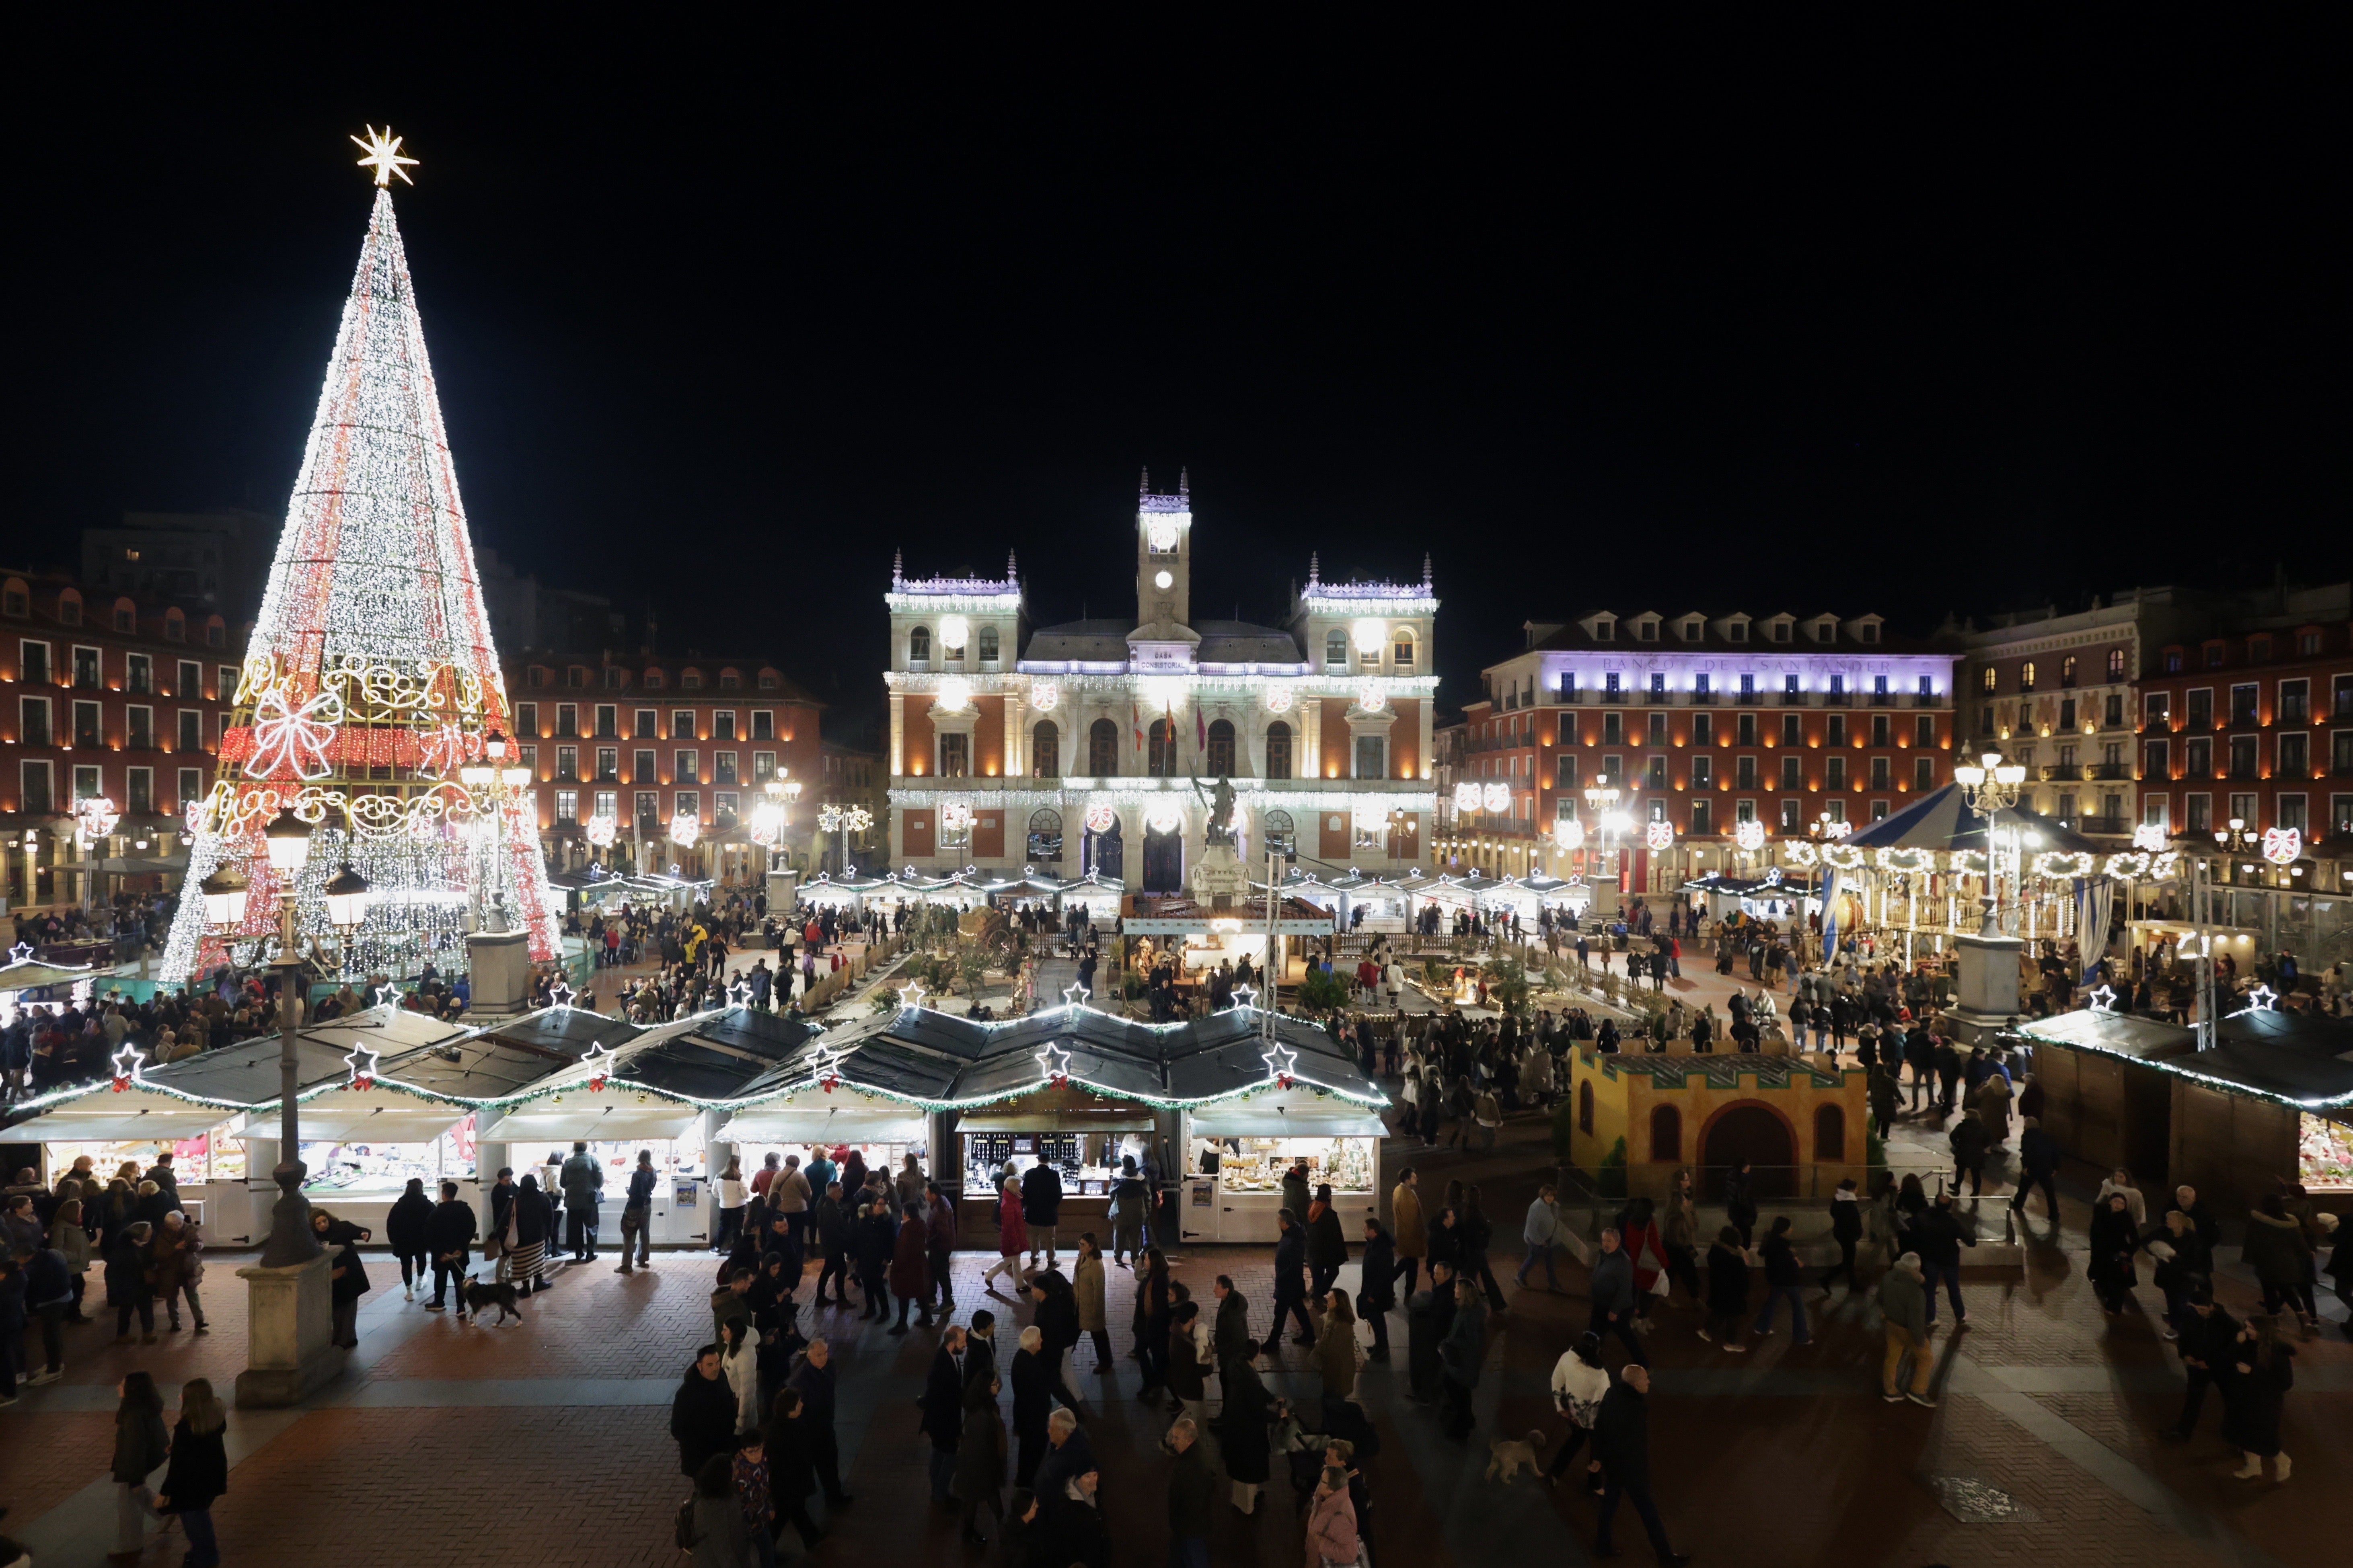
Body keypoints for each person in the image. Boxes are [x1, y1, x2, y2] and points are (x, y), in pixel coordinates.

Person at [1591, 1363, 1690, 1566]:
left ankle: (1602, 1545)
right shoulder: (1636, 1408)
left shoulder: (1612, 1393)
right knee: (1648, 1512)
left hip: (1613, 1465)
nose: (1649, 1382)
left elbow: (1600, 1425)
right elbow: (1635, 1447)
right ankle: (1665, 1557)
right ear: (1636, 1384)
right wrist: (1641, 1475)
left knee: (1609, 1506)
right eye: (1645, 1380)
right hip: (1631, 1470)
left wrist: (1598, 1457)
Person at [155, 1376, 228, 1567]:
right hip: (210, 1480)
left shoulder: (186, 1428)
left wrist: (165, 1492)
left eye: (183, 1395)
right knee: (197, 1519)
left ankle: (205, 1559)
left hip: (191, 1485)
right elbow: (201, 1446)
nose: (179, 1397)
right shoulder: (213, 1419)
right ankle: (201, 1554)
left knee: (196, 1524)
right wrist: (178, 1447)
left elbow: (178, 1466)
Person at [2219, 1314, 2296, 1482]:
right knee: (2246, 1435)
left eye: (2251, 1328)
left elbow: (2285, 1382)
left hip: (2264, 1404)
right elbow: (2226, 1361)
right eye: (2246, 1326)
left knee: (2262, 1437)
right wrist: (2236, 1344)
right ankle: (2253, 1467)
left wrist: (2253, 1373)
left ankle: (2282, 1461)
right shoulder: (2247, 1344)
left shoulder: (2277, 1352)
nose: (2247, 1331)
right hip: (2245, 1399)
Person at [2161, 1288, 2239, 1441]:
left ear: (2211, 1306)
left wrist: (2211, 1363)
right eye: (2195, 1309)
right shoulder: (2191, 1315)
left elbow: (2232, 1351)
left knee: (2231, 1400)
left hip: (2220, 1369)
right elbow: (2184, 1337)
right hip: (2198, 1367)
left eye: (2202, 1309)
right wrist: (2185, 1355)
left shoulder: (2229, 1324)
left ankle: (2234, 1434)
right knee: (2193, 1400)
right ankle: (2184, 1432)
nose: (2199, 1313)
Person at [111, 1369, 171, 1563]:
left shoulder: (134, 1415)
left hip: (134, 1465)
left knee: (128, 1501)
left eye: (123, 1384)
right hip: (145, 1461)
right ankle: (164, 1511)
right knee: (135, 1493)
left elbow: (135, 1447)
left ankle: (130, 1545)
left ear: (132, 1389)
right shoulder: (144, 1406)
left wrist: (134, 1477)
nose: (118, 1387)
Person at [787, 1339, 851, 1511]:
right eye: (818, 1355)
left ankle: (834, 1494)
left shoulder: (829, 1366)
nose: (823, 1358)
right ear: (809, 1356)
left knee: (830, 1461)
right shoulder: (801, 1380)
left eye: (825, 1353)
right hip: (812, 1431)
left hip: (825, 1425)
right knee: (819, 1464)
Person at [1546, 1330, 1610, 1494]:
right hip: (1593, 1420)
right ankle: (1595, 1484)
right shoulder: (1601, 1376)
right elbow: (1601, 1403)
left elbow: (1556, 1381)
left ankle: (1555, 1473)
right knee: (1597, 1448)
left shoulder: (1567, 1358)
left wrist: (1561, 1409)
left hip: (1574, 1415)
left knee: (1574, 1443)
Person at [1218, 1348, 1274, 1515]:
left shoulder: (1239, 1372)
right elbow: (1259, 1412)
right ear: (1256, 1356)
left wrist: (1271, 1398)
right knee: (1250, 1474)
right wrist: (1279, 1416)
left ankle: (1239, 1501)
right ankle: (1248, 1507)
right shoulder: (1251, 1379)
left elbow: (1259, 1394)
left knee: (1240, 1473)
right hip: (1249, 1438)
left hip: (1236, 1434)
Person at [953, 1374, 1007, 1547]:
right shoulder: (985, 1417)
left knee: (972, 1500)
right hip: (982, 1468)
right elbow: (988, 1447)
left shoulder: (976, 1408)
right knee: (993, 1502)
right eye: (994, 1384)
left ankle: (969, 1533)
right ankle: (1005, 1535)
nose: (997, 1386)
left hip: (970, 1467)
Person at [673, 1344, 740, 1478]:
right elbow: (677, 1429)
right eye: (710, 1365)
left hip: (723, 1449)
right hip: (702, 1458)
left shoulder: (721, 1376)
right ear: (700, 1366)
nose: (716, 1368)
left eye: (717, 1363)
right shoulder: (686, 1394)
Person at [920, 1324, 968, 1506]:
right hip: (944, 1424)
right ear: (952, 1343)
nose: (965, 1346)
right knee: (949, 1459)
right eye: (962, 1342)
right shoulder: (943, 1367)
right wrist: (956, 1430)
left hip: (940, 1423)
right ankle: (940, 1495)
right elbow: (944, 1402)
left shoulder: (948, 1356)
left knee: (939, 1456)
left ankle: (937, 1490)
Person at [1878, 1252, 1935, 1405]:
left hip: (1891, 1324)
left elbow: (1880, 1298)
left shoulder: (1888, 1277)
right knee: (1926, 1358)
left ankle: (1890, 1391)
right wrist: (1920, 1340)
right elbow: (1915, 1320)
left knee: (1893, 1357)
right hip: (1906, 1329)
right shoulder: (1916, 1291)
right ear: (1917, 1268)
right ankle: (1918, 1391)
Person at [1589, 1226, 1646, 1365]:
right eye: (1604, 1240)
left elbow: (1625, 1288)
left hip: (1615, 1309)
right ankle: (1591, 1355)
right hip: (1601, 1304)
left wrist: (1615, 1311)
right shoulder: (1604, 1255)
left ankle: (1644, 1365)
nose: (1605, 1244)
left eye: (1609, 1241)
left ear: (1618, 1243)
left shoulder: (1623, 1262)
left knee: (1627, 1337)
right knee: (1595, 1332)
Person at [1164, 1415, 1215, 1568]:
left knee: (1195, 1560)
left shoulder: (1195, 1468)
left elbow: (1193, 1503)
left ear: (1189, 1440)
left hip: (1190, 1528)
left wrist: (1179, 1522)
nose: (1173, 1442)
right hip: (1187, 1526)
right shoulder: (1194, 1454)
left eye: (1177, 1438)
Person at [1437, 1277, 1485, 1439]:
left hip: (1464, 1362)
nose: (1454, 1291)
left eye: (1457, 1289)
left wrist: (1450, 1341)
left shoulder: (1468, 1315)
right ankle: (1468, 1419)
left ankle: (1461, 1429)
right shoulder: (1472, 1310)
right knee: (1462, 1391)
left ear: (1463, 1292)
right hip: (1467, 1363)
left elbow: (1472, 1342)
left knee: (1457, 1391)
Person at [1751, 1215, 1810, 1344]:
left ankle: (1762, 1327)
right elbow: (1789, 1264)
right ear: (1785, 1229)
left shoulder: (1771, 1241)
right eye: (1790, 1227)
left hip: (1775, 1278)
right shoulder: (1782, 1246)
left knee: (1773, 1301)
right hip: (1787, 1280)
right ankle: (1801, 1337)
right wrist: (1795, 1260)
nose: (1792, 1229)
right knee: (1798, 1307)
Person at [1264, 1207, 1316, 1353]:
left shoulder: (1292, 1240)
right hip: (1293, 1284)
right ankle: (1309, 1335)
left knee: (1280, 1313)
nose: (1277, 1221)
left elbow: (1294, 1265)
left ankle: (1273, 1342)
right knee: (1298, 1309)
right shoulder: (1294, 1235)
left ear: (1285, 1223)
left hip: (1288, 1284)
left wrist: (1281, 1277)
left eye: (1279, 1219)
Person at [688, 1452, 753, 1568]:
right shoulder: (712, 1509)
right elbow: (722, 1548)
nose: (737, 1473)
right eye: (733, 1471)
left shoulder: (714, 1493)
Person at [151, 1209, 208, 1334]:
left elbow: (200, 1244)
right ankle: (175, 1321)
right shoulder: (162, 1236)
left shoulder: (190, 1231)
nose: (177, 1226)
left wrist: (195, 1246)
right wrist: (174, 1249)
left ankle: (200, 1320)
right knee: (172, 1298)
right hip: (170, 1272)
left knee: (193, 1295)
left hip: (188, 1269)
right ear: (167, 1225)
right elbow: (158, 1255)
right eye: (173, 1225)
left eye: (179, 1223)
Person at [2086, 1191, 2141, 1314]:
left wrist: (2128, 1252)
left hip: (2116, 1253)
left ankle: (2114, 1307)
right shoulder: (2101, 1213)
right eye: (2116, 1201)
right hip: (2101, 1252)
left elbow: (2135, 1239)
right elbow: (2094, 1231)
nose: (2119, 1205)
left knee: (2115, 1281)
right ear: (2110, 1202)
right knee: (2103, 1278)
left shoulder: (2126, 1217)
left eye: (2122, 1203)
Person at [106, 1219, 157, 1345]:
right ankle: (124, 1335)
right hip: (128, 1285)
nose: (150, 1237)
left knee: (144, 1309)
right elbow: (112, 1272)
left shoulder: (141, 1246)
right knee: (127, 1311)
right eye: (148, 1235)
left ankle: (147, 1333)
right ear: (139, 1235)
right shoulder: (124, 1251)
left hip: (141, 1285)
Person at [1700, 1225, 1749, 1350]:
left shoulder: (1716, 1251)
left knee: (1720, 1312)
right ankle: (1730, 1343)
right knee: (1732, 1317)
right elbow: (1742, 1279)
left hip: (1719, 1289)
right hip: (1732, 1293)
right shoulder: (1736, 1259)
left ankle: (1707, 1331)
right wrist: (1745, 1263)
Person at [386, 1176, 435, 1300]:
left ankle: (409, 1291)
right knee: (421, 1257)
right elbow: (435, 1218)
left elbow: (391, 1222)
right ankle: (420, 1280)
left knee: (406, 1264)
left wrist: (392, 1238)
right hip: (421, 1239)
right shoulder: (426, 1204)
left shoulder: (400, 1204)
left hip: (403, 1240)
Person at [887, 1201, 931, 1334]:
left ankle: (902, 1324)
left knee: (903, 1295)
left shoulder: (908, 1229)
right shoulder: (920, 1224)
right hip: (919, 1265)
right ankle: (927, 1317)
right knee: (920, 1292)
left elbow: (903, 1251)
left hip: (908, 1268)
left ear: (906, 1214)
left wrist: (895, 1267)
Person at [1306, 1463, 1361, 1568]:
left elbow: (1350, 1554)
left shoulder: (1338, 1517)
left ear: (1331, 1489)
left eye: (1322, 1481)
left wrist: (1320, 1543)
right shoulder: (1328, 1499)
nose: (1319, 1484)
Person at [1069, 1233, 1111, 1369]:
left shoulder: (1096, 1265)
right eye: (1079, 1243)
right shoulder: (1082, 1258)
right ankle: (1065, 1359)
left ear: (1092, 1247)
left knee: (1098, 1335)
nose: (1080, 1247)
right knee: (1073, 1334)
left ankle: (1105, 1363)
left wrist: (1096, 1312)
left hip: (1090, 1308)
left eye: (1083, 1245)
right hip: (1080, 1305)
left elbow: (1099, 1291)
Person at [1357, 1217, 1397, 1361]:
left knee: (1377, 1319)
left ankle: (1383, 1348)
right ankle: (1380, 1345)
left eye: (1366, 1229)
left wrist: (1373, 1295)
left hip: (1377, 1293)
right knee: (1376, 1319)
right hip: (1372, 1289)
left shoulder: (1381, 1248)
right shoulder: (1375, 1244)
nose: (1363, 1230)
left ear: (1373, 1232)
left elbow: (1384, 1275)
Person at [982, 1169, 1027, 1295]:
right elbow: (1009, 1227)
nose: (1021, 1187)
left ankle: (1020, 1283)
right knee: (1009, 1260)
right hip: (1013, 1238)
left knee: (1016, 1260)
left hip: (1016, 1236)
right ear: (1013, 1187)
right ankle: (989, 1274)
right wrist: (1015, 1243)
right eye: (1019, 1185)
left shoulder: (1013, 1199)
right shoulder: (1009, 1204)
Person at [508, 1173, 555, 1294]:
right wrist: (548, 1232)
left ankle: (526, 1287)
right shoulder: (543, 1198)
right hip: (539, 1237)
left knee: (523, 1263)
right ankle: (538, 1283)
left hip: (520, 1238)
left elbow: (506, 1218)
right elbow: (550, 1216)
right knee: (538, 1260)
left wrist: (496, 1233)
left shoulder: (516, 1200)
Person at [1315, 1286, 1359, 1404]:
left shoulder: (1342, 1325)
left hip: (1338, 1373)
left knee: (1334, 1403)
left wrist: (1320, 1352)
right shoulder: (1332, 1317)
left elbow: (1334, 1351)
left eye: (1330, 1299)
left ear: (1339, 1303)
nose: (1327, 1300)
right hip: (1332, 1371)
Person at [1305, 1181, 1348, 1300]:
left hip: (1314, 1247)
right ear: (1329, 1196)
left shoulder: (1312, 1207)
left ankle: (1317, 1293)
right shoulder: (1328, 1212)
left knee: (1318, 1272)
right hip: (1327, 1250)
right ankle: (1319, 1294)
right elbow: (1335, 1235)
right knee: (1333, 1271)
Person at [2010, 1116, 2060, 1219]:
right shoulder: (2047, 1136)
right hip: (2046, 1168)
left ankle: (2018, 1205)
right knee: (2050, 1193)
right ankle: (2054, 1215)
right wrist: (2055, 1168)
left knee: (2024, 1187)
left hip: (2033, 1168)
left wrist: (2026, 1167)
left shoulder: (2027, 1136)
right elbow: (2055, 1152)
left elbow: (2027, 1154)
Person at [1518, 1182, 1564, 1291]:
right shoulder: (1536, 1208)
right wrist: (1540, 1242)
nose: (1550, 1198)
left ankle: (1553, 1285)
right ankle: (1520, 1277)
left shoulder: (1554, 1206)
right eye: (1548, 1195)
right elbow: (1532, 1229)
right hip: (1537, 1241)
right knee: (1533, 1259)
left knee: (1549, 1262)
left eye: (1552, 1195)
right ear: (1543, 1195)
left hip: (1547, 1239)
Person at [721, 1316, 763, 1434]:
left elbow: (747, 1392)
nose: (722, 1333)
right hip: (732, 1405)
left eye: (725, 1330)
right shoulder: (733, 1346)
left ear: (733, 1333)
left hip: (740, 1419)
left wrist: (741, 1423)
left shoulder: (746, 1356)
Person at [618, 1149, 658, 1275]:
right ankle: (642, 1259)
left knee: (629, 1234)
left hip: (635, 1207)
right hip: (647, 1205)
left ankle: (626, 1265)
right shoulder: (653, 1172)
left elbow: (634, 1193)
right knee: (645, 1233)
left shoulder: (637, 1174)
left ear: (639, 1158)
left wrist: (628, 1190)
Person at [1390, 1165, 1426, 1301]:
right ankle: (1409, 1294)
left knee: (1406, 1263)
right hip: (1411, 1238)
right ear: (1407, 1180)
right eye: (1413, 1177)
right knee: (1412, 1267)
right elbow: (1412, 1221)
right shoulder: (1406, 1196)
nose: (1416, 1178)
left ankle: (1388, 1283)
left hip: (1406, 1237)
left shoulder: (1400, 1190)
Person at [1821, 1177, 1864, 1292]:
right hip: (1848, 1235)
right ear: (1852, 1190)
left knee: (1848, 1261)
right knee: (1848, 1262)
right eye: (1856, 1189)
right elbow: (1854, 1222)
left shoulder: (1838, 1202)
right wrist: (1857, 1234)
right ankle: (1826, 1279)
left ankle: (1853, 1286)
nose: (1857, 1192)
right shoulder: (1849, 1205)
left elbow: (1834, 1214)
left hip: (1840, 1233)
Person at [1021, 1155, 1063, 1268]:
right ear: (1049, 1161)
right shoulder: (1054, 1175)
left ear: (1038, 1160)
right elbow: (1058, 1194)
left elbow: (1024, 1193)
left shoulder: (1029, 1174)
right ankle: (1051, 1260)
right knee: (1050, 1239)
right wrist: (1053, 1206)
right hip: (1049, 1213)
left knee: (1034, 1237)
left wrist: (1026, 1206)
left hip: (1033, 1212)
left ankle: (1034, 1259)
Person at [715, 1156, 749, 1254]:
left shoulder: (719, 1176)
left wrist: (722, 1198)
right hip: (739, 1206)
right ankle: (737, 1250)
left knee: (723, 1227)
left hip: (724, 1206)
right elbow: (746, 1194)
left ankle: (717, 1248)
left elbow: (714, 1191)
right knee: (737, 1229)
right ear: (738, 1164)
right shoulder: (739, 1177)